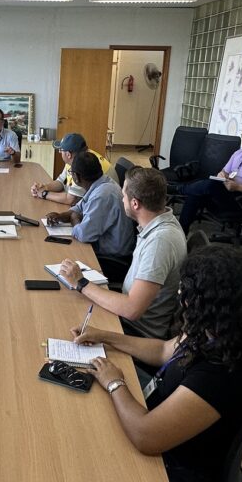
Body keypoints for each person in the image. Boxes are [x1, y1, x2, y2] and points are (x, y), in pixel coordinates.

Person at [70, 244, 242, 482]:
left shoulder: (224, 373)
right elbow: (166, 350)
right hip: (161, 419)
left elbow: (146, 436)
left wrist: (115, 382)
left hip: (175, 470)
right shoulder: (219, 330)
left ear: (211, 305)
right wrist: (106, 337)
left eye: (187, 296)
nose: (181, 299)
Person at [58, 167, 186, 339]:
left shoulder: (160, 242)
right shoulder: (162, 221)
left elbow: (132, 309)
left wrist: (81, 283)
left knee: (62, 320)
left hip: (137, 331)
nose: (121, 198)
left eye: (124, 195)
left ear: (135, 203)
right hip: (127, 318)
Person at [177, 121, 242, 233]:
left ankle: (179, 190)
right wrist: (222, 175)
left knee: (209, 185)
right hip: (229, 192)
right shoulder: (240, 153)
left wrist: (238, 187)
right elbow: (225, 171)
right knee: (196, 194)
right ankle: (181, 233)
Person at [45, 152, 133, 261]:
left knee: (59, 257)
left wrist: (74, 219)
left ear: (76, 177)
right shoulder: (100, 182)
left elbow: (83, 234)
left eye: (71, 172)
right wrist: (61, 216)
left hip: (111, 258)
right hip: (103, 247)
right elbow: (79, 207)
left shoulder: (103, 195)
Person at [31, 132, 117, 204]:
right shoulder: (75, 157)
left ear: (68, 154)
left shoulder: (84, 164)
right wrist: (45, 187)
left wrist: (44, 194)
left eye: (61, 150)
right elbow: (61, 182)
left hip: (103, 204)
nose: (60, 152)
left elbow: (71, 199)